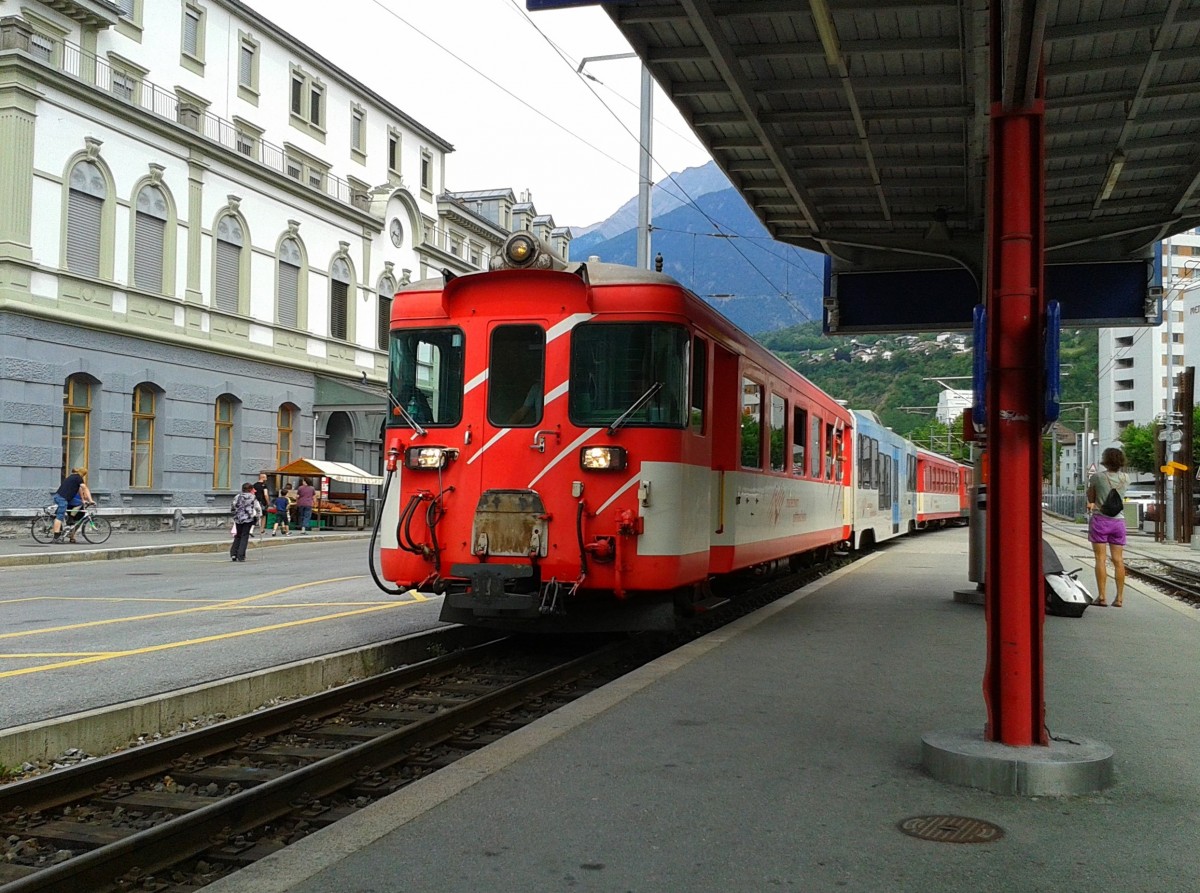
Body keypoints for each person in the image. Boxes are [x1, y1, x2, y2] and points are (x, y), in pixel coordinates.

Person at [1086, 446, 1129, 607]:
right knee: (1118, 560)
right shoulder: (1126, 478)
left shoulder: (1097, 477)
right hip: (1119, 522)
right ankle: (1119, 598)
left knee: (1100, 559)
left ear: (1105, 460)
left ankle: (1102, 596)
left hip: (1101, 520)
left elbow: (1091, 497)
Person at [52, 467, 93, 543]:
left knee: (79, 503)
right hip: (62, 498)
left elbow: (80, 489)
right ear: (82, 474)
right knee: (60, 516)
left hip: (65, 498)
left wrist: (83, 500)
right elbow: (85, 488)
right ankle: (56, 537)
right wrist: (91, 500)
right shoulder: (78, 478)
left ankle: (71, 517)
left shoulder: (72, 477)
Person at [230, 482, 261, 562]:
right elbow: (257, 507)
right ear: (250, 489)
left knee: (238, 535)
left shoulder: (237, 496)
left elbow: (233, 506)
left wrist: (234, 513)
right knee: (245, 536)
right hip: (248, 518)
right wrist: (258, 515)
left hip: (238, 518)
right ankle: (241, 555)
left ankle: (233, 554)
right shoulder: (252, 497)